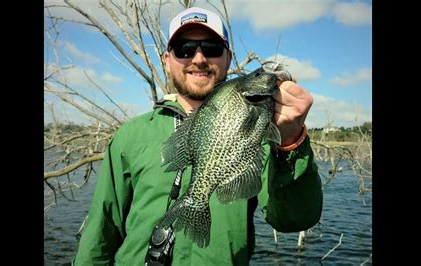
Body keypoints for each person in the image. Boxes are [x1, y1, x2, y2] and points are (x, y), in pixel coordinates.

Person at [72, 6, 322, 266]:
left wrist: (292, 142)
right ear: (167, 59)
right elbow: (101, 231)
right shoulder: (130, 136)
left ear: (228, 57)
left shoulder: (263, 134)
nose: (199, 58)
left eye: (212, 47)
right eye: (185, 48)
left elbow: (295, 219)